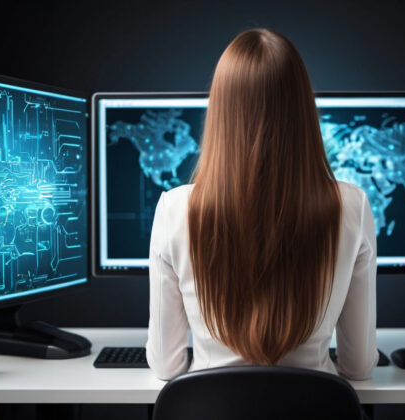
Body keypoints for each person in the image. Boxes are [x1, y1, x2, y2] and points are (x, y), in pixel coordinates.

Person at [146, 28, 378, 381]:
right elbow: (358, 367)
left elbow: (166, 366)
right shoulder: (352, 205)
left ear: (221, 113)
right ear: (302, 109)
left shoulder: (174, 209)